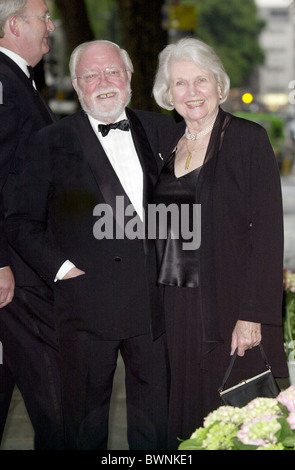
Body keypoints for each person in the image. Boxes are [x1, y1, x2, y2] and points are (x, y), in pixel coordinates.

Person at [6, 39, 174, 450]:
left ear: (130, 78)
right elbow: (20, 221)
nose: (104, 82)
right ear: (78, 86)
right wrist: (63, 271)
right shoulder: (48, 141)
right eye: (91, 75)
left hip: (156, 309)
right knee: (83, 431)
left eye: (113, 71)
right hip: (84, 308)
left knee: (157, 433)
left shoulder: (164, 130)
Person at [152, 37, 289, 449]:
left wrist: (253, 316)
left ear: (218, 84)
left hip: (228, 308)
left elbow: (268, 234)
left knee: (228, 419)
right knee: (185, 420)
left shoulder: (248, 140)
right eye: (180, 83)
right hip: (174, 307)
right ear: (167, 94)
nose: (192, 92)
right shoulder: (164, 144)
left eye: (201, 80)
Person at [0, 0, 63, 449]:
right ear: (13, 25)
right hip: (17, 274)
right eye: (44, 17)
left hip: (19, 270)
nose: (52, 25)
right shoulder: (4, 81)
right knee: (61, 403)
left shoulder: (19, 79)